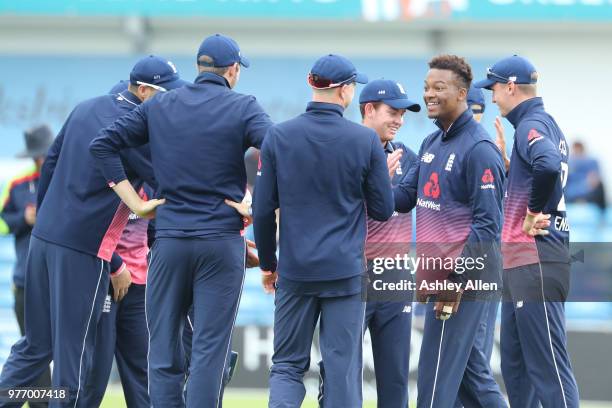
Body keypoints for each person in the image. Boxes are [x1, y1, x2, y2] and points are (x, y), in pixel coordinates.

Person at [90, 34, 272, 407]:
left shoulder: (161, 106)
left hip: (168, 242)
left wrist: (135, 204)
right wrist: (254, 201)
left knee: (162, 350)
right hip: (220, 242)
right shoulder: (243, 107)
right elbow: (281, 148)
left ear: (199, 67)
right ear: (233, 71)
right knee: (208, 351)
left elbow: (102, 144)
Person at [0, 55, 182, 407]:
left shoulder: (84, 108)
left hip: (43, 242)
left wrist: (52, 217)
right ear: (144, 91)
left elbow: (50, 164)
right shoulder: (137, 131)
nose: (171, 101)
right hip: (83, 250)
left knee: (35, 348)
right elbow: (165, 184)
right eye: (167, 93)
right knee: (74, 360)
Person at [253, 54, 394, 408]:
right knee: (341, 368)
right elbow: (383, 209)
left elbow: (262, 209)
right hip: (345, 272)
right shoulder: (364, 141)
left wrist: (269, 265)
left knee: (286, 366)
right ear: (344, 91)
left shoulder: (278, 137)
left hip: (296, 271)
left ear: (312, 85)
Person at [393, 54, 507, 408]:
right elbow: (401, 200)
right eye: (427, 87)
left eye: (439, 88)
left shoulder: (479, 150)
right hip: (439, 280)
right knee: (471, 383)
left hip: (461, 284)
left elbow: (488, 226)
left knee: (434, 383)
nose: (429, 94)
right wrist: (367, 179)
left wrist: (455, 281)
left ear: (462, 94)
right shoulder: (430, 144)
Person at [475, 54, 580, 408]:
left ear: (510, 86)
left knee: (548, 371)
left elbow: (548, 165)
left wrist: (534, 211)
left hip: (536, 259)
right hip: (524, 262)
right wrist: (511, 170)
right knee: (517, 371)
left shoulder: (532, 124)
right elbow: (540, 170)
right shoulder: (541, 125)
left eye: (493, 89)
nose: (491, 97)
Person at [316, 78, 420, 408]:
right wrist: (369, 183)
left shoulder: (409, 157)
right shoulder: (340, 151)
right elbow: (325, 207)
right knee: (341, 374)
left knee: (395, 378)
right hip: (352, 275)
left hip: (396, 277)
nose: (399, 121)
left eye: (403, 114)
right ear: (369, 109)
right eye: (393, 112)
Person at [0, 125, 53, 408]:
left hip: (59, 280)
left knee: (49, 349)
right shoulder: (18, 186)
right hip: (25, 281)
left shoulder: (64, 180)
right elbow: (3, 223)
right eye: (39, 156)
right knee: (34, 350)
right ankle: (40, 404)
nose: (42, 160)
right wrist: (23, 217)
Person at [566, 141, 606, 211]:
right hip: (570, 193)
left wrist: (584, 193)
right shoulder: (569, 162)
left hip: (588, 191)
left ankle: (602, 212)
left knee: (600, 185)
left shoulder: (591, 161)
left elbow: (594, 178)